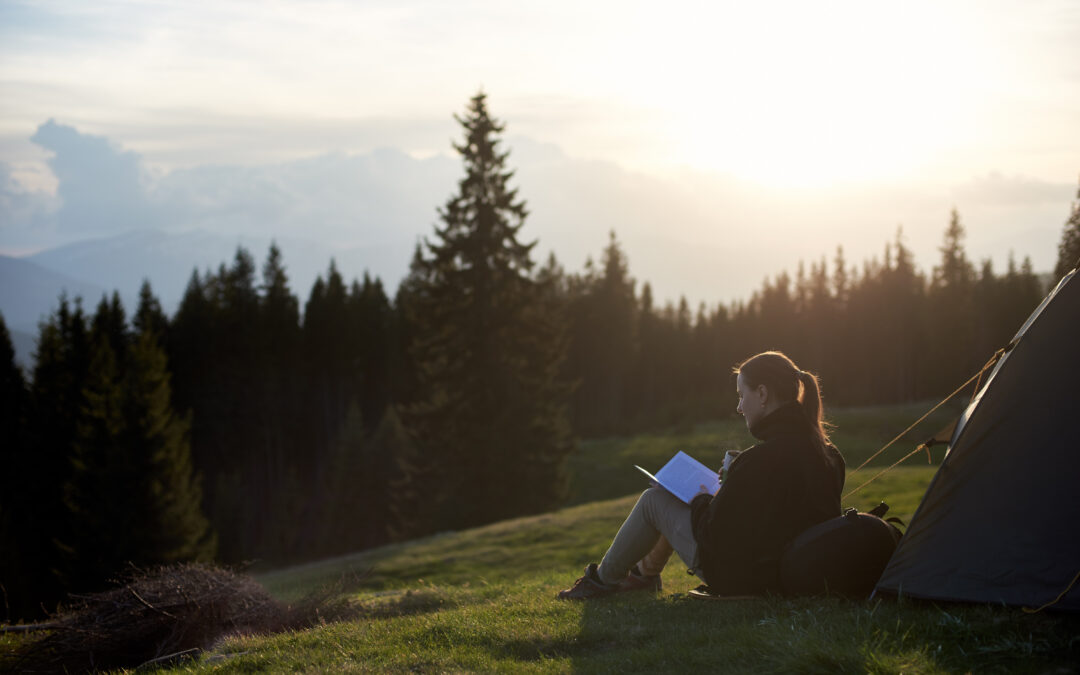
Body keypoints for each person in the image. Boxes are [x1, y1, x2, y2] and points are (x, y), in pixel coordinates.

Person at [557, 351, 845, 599]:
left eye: (742, 395)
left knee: (653, 500)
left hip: (745, 577)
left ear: (762, 393)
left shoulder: (760, 460)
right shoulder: (829, 455)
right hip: (789, 573)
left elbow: (713, 533)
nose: (739, 407)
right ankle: (643, 576)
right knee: (669, 497)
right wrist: (730, 488)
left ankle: (602, 582)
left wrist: (701, 498)